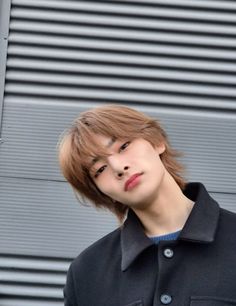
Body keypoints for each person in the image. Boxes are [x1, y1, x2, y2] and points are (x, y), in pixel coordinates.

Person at [58, 104, 236, 306]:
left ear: (157, 141)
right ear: (100, 192)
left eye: (124, 147)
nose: (119, 167)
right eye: (100, 169)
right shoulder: (86, 273)